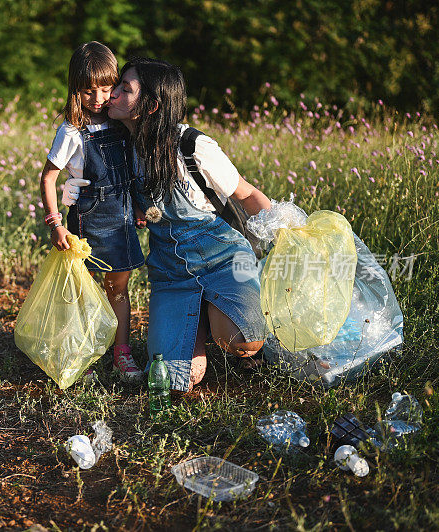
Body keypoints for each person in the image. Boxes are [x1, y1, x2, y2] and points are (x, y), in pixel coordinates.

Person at [107, 57, 272, 394]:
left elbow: (247, 193)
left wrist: (285, 234)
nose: (112, 94)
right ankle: (198, 315)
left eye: (125, 89)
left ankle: (228, 316)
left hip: (224, 260)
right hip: (171, 274)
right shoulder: (124, 147)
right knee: (175, 379)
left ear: (151, 106)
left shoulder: (192, 146)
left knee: (244, 341)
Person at [39, 42, 145, 381]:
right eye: (89, 91)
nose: (98, 98)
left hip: (123, 217)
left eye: (106, 88)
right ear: (75, 90)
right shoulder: (71, 131)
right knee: (81, 291)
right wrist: (55, 224)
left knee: (119, 288)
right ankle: (80, 352)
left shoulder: (122, 121)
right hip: (89, 218)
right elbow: (49, 177)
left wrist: (141, 204)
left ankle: (121, 353)